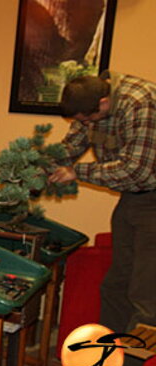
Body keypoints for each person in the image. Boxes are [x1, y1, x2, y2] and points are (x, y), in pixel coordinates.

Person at [49, 71, 156, 337]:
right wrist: (34, 167)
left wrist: (78, 172)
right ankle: (110, 354)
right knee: (115, 285)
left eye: (87, 119)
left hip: (151, 196)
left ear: (105, 103)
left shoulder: (141, 103)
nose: (83, 124)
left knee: (146, 296)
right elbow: (71, 146)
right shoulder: (90, 103)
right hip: (133, 197)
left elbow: (137, 171)